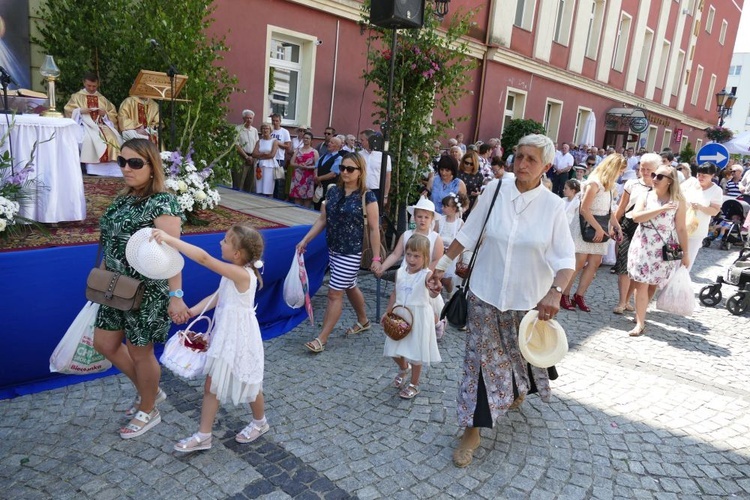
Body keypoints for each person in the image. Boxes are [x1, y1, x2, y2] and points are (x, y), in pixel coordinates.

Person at [430, 134, 575, 468]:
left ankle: (515, 387)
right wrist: (439, 267)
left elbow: (567, 260)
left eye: (531, 160)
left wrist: (555, 293)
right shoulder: (496, 191)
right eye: (519, 156)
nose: (522, 164)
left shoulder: (553, 208)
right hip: (485, 291)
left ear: (547, 167)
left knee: (518, 354)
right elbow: (468, 234)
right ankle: (473, 429)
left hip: (527, 299)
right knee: (479, 361)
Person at [92, 138, 189, 439]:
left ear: (152, 166)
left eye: (135, 163)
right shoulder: (122, 198)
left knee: (140, 352)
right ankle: (150, 392)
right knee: (104, 344)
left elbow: (174, 253)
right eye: (122, 161)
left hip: (147, 291)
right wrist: (103, 276)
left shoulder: (163, 202)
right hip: (114, 285)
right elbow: (110, 242)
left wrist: (176, 296)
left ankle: (149, 408)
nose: (126, 168)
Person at [151, 224, 269, 451]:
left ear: (237, 253)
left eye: (225, 241)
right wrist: (191, 312)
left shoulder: (241, 273)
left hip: (240, 336)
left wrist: (170, 239)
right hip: (226, 335)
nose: (220, 243)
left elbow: (204, 259)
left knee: (249, 382)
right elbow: (218, 297)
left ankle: (260, 422)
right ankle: (204, 435)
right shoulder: (234, 272)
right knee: (213, 384)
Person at [297, 153, 381, 352]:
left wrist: (376, 258)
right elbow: (322, 220)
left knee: (334, 293)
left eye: (350, 169)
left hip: (351, 252)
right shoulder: (333, 191)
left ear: (360, 172)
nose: (344, 172)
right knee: (350, 285)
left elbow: (374, 228)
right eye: (342, 167)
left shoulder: (367, 196)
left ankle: (322, 338)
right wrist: (305, 239)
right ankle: (363, 320)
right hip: (333, 249)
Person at [626, 165, 690, 337]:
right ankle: (640, 322)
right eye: (654, 175)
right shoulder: (646, 195)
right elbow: (637, 216)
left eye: (660, 176)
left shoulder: (679, 201)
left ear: (670, 181)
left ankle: (642, 312)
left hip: (664, 245)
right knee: (641, 283)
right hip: (644, 242)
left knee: (653, 283)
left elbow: (681, 229)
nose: (654, 178)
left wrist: (685, 253)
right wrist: (661, 209)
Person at [560, 154, 627, 312]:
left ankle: (579, 295)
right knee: (579, 262)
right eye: (620, 170)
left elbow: (609, 210)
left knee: (595, 263)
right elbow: (584, 209)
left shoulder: (610, 186)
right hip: (586, 226)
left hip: (601, 226)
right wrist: (598, 228)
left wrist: (617, 226)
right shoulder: (594, 183)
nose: (621, 174)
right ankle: (564, 294)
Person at [382, 234, 442, 400]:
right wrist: (387, 312)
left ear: (425, 257)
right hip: (400, 314)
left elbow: (432, 291)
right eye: (408, 254)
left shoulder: (426, 275)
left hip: (419, 317)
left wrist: (435, 288)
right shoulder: (400, 272)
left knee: (416, 353)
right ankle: (403, 368)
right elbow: (395, 293)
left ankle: (414, 384)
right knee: (393, 349)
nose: (411, 259)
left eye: (417, 256)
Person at [611, 153, 658, 314]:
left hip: (646, 229)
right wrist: (614, 225)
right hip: (627, 226)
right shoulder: (632, 184)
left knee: (636, 267)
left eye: (648, 169)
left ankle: (629, 299)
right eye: (642, 168)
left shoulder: (660, 187)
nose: (644, 172)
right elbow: (621, 206)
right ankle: (622, 301)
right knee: (623, 262)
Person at [64, 72, 122, 171]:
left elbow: (112, 113)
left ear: (98, 84)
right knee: (89, 139)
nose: (91, 88)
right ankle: (92, 169)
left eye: (94, 86)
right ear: (84, 83)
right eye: (89, 86)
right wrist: (80, 111)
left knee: (113, 138)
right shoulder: (77, 97)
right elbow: (68, 110)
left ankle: (110, 170)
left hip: (101, 125)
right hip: (84, 125)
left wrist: (105, 114)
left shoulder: (102, 99)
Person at [683, 163, 722, 271]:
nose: (700, 178)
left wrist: (700, 207)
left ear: (712, 176)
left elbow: (715, 211)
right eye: (699, 175)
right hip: (681, 226)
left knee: (687, 261)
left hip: (697, 229)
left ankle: (679, 285)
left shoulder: (716, 190)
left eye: (704, 176)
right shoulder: (690, 184)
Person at [433, 193, 466, 296]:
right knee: (437, 276)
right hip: (439, 253)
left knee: (447, 280)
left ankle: (450, 295)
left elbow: (461, 242)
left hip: (452, 256)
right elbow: (434, 235)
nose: (443, 208)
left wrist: (461, 255)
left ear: (454, 208)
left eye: (445, 206)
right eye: (442, 206)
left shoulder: (459, 223)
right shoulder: (440, 221)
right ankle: (436, 296)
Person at [358, 129, 392, 203]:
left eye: (362, 140)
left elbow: (387, 177)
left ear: (369, 140)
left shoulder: (384, 156)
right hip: (361, 190)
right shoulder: (359, 155)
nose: (360, 142)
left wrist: (385, 196)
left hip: (376, 191)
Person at [288, 130, 319, 208]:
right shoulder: (298, 150)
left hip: (308, 177)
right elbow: (292, 162)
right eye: (304, 138)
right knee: (297, 198)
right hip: (298, 176)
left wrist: (308, 167)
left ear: (311, 140)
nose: (305, 140)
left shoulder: (314, 152)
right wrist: (299, 165)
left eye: (308, 138)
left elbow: (317, 166)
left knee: (307, 199)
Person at [313, 136, 344, 210]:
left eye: (331, 143)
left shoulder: (339, 158)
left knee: (325, 209)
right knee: (316, 206)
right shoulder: (323, 155)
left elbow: (333, 174)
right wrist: (316, 177)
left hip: (329, 188)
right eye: (329, 142)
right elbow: (316, 167)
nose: (328, 144)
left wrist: (319, 179)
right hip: (318, 186)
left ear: (337, 146)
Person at [234, 109, 259, 192]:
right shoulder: (238, 129)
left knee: (251, 181)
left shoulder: (254, 130)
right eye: (247, 118)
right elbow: (236, 145)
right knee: (239, 180)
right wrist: (246, 156)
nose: (249, 120)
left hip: (252, 158)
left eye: (250, 118)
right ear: (243, 118)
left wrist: (252, 156)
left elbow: (257, 143)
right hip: (241, 157)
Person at [252, 123, 280, 197]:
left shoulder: (274, 141)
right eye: (263, 128)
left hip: (270, 166)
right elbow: (254, 154)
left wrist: (260, 155)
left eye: (267, 128)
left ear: (270, 130)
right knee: (259, 187)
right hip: (260, 166)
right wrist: (264, 154)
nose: (265, 130)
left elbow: (271, 155)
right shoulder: (259, 141)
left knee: (269, 187)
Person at [270, 113, 291, 199]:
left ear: (280, 121)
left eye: (277, 121)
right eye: (273, 121)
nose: (275, 123)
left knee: (278, 181)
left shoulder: (284, 132)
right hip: (269, 158)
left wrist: (278, 143)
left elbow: (288, 146)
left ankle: (277, 199)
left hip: (279, 159)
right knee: (269, 179)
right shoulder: (269, 130)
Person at [457, 151, 484, 219]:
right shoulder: (457, 173)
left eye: (471, 164)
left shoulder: (479, 175)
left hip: (472, 203)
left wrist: (478, 192)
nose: (468, 165)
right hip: (457, 201)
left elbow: (479, 188)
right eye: (466, 163)